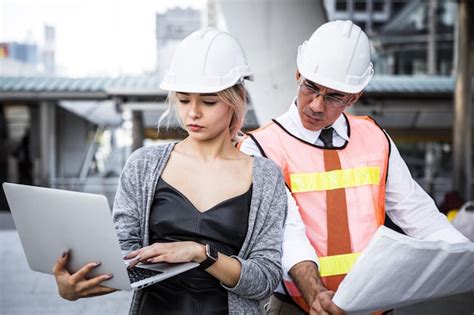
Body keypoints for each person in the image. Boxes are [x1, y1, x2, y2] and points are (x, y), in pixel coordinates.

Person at [239, 20, 470, 315]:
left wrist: (467, 258)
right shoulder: (260, 147)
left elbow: (418, 214)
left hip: (373, 305)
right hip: (300, 306)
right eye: (311, 87)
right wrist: (316, 294)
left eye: (334, 96)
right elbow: (287, 234)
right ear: (299, 74)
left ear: (354, 97)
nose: (317, 106)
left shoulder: (375, 138)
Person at [52, 28, 287, 314]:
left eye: (209, 101)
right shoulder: (144, 165)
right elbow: (124, 259)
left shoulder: (265, 177)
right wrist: (78, 285)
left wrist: (200, 254)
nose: (193, 113)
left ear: (236, 100)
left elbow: (265, 279)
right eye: (184, 100)